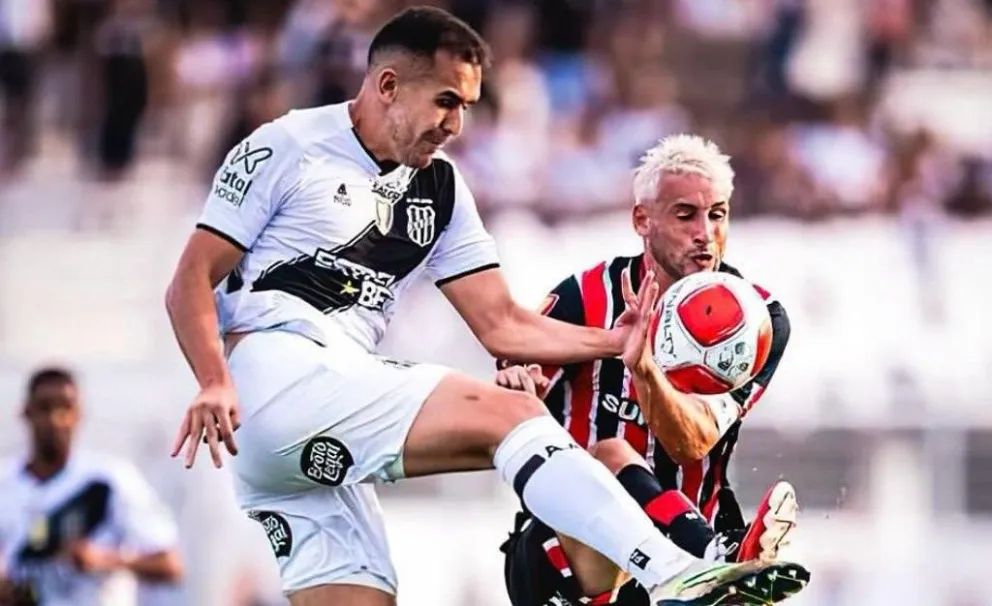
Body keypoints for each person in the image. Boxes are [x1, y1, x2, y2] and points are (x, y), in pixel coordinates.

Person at [166, 7, 806, 606]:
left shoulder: (440, 187)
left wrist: (616, 342)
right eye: (445, 102)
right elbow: (190, 279)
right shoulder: (287, 145)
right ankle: (676, 571)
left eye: (466, 108)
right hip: (278, 375)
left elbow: (502, 324)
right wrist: (213, 379)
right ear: (388, 85)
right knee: (513, 415)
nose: (456, 126)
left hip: (307, 442)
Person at [496, 134, 809, 606]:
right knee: (607, 455)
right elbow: (509, 399)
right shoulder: (584, 298)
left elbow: (692, 442)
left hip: (681, 545)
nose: (705, 233)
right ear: (642, 220)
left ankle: (709, 564)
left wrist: (643, 370)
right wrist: (520, 392)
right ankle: (717, 559)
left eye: (717, 214)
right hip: (571, 550)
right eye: (685, 215)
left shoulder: (758, 320)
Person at [0, 367, 183, 606]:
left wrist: (103, 560)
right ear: (26, 412)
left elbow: (169, 564)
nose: (55, 419)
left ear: (79, 414)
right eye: (44, 407)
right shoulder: (6, 483)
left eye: (65, 408)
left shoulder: (108, 480)